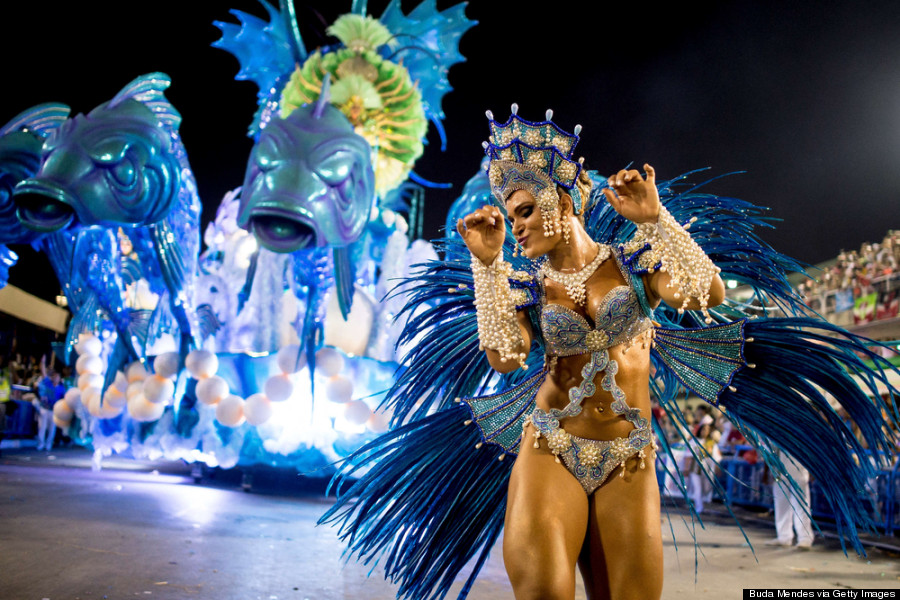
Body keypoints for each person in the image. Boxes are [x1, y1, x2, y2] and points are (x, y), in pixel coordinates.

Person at [320, 107, 899, 600]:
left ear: (564, 199)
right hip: (551, 444)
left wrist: (656, 220)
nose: (517, 226)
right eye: (511, 214)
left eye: (526, 210)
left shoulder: (632, 263)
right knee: (546, 591)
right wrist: (488, 265)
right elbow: (504, 356)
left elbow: (707, 293)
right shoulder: (526, 284)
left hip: (630, 455)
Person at [766, 449, 814, 549]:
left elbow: (811, 449)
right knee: (781, 506)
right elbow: (768, 451)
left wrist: (812, 471)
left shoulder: (802, 434)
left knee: (801, 506)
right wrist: (768, 471)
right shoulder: (774, 435)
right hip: (779, 474)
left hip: (799, 472)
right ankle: (784, 537)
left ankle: (805, 538)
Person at [35, 368, 64, 451]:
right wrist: (43, 363)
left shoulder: (61, 388)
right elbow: (43, 372)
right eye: (54, 376)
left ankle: (48, 444)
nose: (55, 378)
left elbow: (64, 399)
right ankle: (41, 444)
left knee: (52, 428)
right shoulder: (48, 383)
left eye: (57, 376)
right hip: (44, 408)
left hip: (54, 410)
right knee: (42, 427)